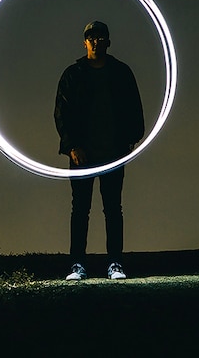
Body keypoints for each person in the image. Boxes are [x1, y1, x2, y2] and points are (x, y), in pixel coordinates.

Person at [54, 20, 144, 280]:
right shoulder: (73, 74)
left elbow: (134, 108)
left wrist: (130, 141)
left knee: (113, 208)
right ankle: (77, 265)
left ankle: (115, 263)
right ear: (85, 42)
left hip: (113, 151)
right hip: (82, 154)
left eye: (100, 37)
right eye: (91, 37)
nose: (95, 41)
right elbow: (62, 113)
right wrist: (71, 146)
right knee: (80, 209)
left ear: (108, 41)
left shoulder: (121, 72)